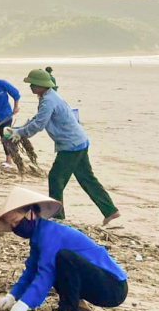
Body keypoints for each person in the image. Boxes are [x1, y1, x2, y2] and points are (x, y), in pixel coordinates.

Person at [0, 186, 128, 311]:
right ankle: (79, 309)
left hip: (113, 286)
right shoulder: (38, 236)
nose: (15, 227)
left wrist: (25, 303)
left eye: (15, 221)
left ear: (30, 213)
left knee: (63, 258)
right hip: (98, 283)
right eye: (11, 225)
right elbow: (32, 270)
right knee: (57, 263)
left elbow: (46, 273)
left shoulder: (50, 234)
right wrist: (13, 295)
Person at [11, 69, 120, 225]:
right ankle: (110, 210)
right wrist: (19, 130)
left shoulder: (49, 101)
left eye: (33, 84)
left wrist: (20, 133)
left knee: (56, 178)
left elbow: (39, 124)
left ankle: (57, 216)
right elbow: (37, 119)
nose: (31, 87)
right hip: (79, 141)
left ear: (42, 85)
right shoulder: (47, 97)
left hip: (71, 146)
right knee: (87, 178)